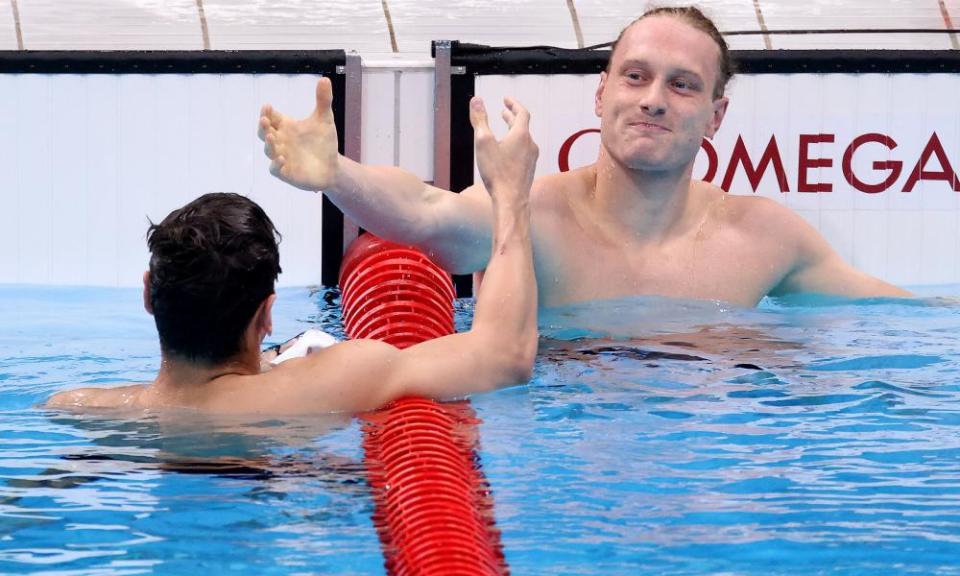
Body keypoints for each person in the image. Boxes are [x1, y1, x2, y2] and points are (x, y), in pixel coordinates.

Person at [258, 6, 910, 309]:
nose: (653, 100)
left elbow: (890, 316)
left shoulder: (764, 238)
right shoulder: (532, 216)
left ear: (716, 116)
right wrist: (337, 174)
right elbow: (427, 213)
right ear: (602, 94)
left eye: (681, 85)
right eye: (635, 77)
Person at [45, 96, 539, 415]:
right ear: (266, 314)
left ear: (149, 294)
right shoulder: (329, 383)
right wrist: (511, 196)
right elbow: (504, 357)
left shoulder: (78, 408)